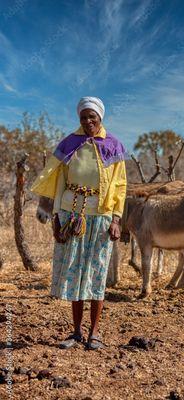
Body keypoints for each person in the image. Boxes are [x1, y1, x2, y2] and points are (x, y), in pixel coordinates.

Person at [31, 97, 127, 350]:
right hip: (71, 215)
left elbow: (120, 186)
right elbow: (59, 182)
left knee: (96, 273)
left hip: (101, 216)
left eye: (92, 117)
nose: (87, 122)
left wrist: (116, 218)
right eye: (83, 117)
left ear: (100, 117)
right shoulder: (70, 144)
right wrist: (56, 218)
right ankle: (76, 332)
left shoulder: (113, 146)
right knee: (74, 273)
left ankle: (94, 332)